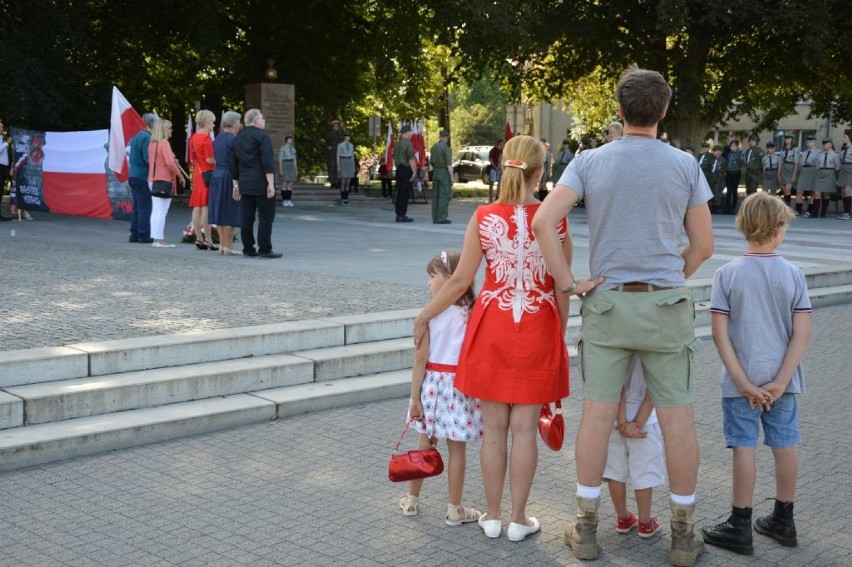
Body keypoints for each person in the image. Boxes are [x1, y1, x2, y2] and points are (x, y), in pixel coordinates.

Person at [532, 66, 713, 566]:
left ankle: (586, 528)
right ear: (664, 111)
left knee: (595, 416)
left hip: (607, 304)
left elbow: (544, 220)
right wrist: (670, 272)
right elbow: (703, 245)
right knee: (678, 420)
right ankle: (681, 534)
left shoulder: (590, 161)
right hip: (664, 305)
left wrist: (567, 282)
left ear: (619, 110)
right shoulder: (683, 164)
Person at [414, 135, 598, 543]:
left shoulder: (483, 216)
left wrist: (425, 315)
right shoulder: (557, 222)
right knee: (525, 428)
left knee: (494, 429)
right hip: (537, 324)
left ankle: (492, 516)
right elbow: (560, 287)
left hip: (493, 324)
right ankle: (519, 519)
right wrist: (561, 335)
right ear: (539, 172)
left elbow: (462, 279)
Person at [700, 192, 810, 555]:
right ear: (779, 230)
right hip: (783, 382)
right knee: (785, 443)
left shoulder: (726, 274)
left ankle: (740, 524)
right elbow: (801, 333)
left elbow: (720, 334)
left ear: (742, 226)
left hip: (740, 382)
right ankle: (785, 518)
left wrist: (744, 382)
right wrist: (780, 381)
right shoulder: (793, 274)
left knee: (743, 447)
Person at [399, 250, 483, 526]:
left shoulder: (431, 314)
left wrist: (415, 397)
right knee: (457, 449)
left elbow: (420, 358)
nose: (428, 283)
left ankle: (411, 500)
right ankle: (454, 509)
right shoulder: (473, 311)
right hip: (460, 386)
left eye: (432, 276)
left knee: (424, 445)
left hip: (433, 385)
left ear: (450, 278)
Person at [604, 356, 664, 540]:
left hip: (615, 418)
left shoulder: (619, 346)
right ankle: (645, 523)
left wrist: (622, 422)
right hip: (645, 423)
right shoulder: (653, 347)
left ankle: (623, 518)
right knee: (644, 472)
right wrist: (638, 423)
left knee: (615, 472)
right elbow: (655, 386)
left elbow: (617, 386)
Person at [231, 109, 281, 259]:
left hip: (245, 183)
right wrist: (270, 183)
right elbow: (267, 161)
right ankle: (264, 248)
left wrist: (236, 185)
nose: (264, 120)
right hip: (261, 182)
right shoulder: (262, 137)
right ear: (255, 121)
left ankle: (248, 248)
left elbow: (233, 164)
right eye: (262, 118)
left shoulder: (238, 138)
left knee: (246, 217)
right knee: (266, 217)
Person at [148, 119, 186, 248]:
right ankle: (159, 239)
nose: (171, 130)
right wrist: (180, 175)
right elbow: (170, 162)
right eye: (169, 128)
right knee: (161, 211)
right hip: (163, 179)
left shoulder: (153, 143)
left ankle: (155, 238)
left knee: (156, 210)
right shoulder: (164, 143)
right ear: (164, 130)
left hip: (152, 178)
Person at [209, 111, 242, 256]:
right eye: (239, 121)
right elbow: (237, 161)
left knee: (220, 211)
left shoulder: (218, 138)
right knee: (230, 210)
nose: (240, 124)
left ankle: (223, 246)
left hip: (217, 175)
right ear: (235, 123)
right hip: (229, 176)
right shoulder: (234, 140)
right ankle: (229, 247)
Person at [189, 109, 217, 250]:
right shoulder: (206, 139)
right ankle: (208, 239)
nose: (213, 126)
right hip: (207, 174)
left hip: (198, 174)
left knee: (197, 207)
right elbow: (209, 159)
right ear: (206, 123)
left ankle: (198, 239)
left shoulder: (193, 137)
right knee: (206, 207)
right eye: (212, 123)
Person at [127, 113, 157, 242]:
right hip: (143, 176)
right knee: (145, 207)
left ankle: (134, 234)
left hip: (133, 175)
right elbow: (147, 159)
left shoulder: (136, 136)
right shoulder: (147, 138)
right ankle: (144, 235)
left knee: (137, 207)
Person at [807, 139, 839, 219]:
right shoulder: (820, 154)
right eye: (824, 144)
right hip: (820, 173)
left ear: (831, 144)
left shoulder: (835, 155)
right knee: (817, 193)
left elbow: (837, 168)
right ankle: (815, 212)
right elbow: (817, 166)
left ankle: (823, 213)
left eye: (826, 144)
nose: (825, 145)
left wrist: (835, 178)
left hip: (830, 173)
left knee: (826, 194)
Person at [393, 124, 416, 222]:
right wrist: (414, 172)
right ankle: (402, 215)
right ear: (406, 133)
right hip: (406, 170)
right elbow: (411, 159)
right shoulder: (408, 144)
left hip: (399, 169)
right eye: (410, 132)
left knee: (399, 193)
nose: (411, 134)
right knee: (405, 193)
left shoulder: (397, 144)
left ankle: (398, 214)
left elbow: (394, 158)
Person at [429, 130, 453, 224]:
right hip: (444, 172)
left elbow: (431, 163)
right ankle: (441, 218)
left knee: (435, 195)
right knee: (444, 195)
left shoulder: (434, 147)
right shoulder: (446, 148)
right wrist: (451, 178)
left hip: (436, 172)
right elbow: (449, 165)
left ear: (440, 137)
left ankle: (435, 216)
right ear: (447, 137)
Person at [794, 135, 818, 217]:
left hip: (813, 170)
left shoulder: (818, 152)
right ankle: (798, 210)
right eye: (807, 142)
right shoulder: (804, 153)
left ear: (815, 142)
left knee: (812, 191)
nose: (809, 143)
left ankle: (809, 210)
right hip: (804, 171)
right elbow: (800, 164)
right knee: (799, 191)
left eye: (811, 141)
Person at [724, 139, 745, 214]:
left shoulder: (739, 155)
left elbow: (742, 165)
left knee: (734, 190)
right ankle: (727, 208)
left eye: (733, 146)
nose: (731, 147)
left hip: (736, 173)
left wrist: (741, 173)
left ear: (737, 146)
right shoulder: (729, 154)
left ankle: (733, 207)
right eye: (731, 146)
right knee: (729, 190)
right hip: (729, 173)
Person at [779, 133, 799, 208]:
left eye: (789, 138)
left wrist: (794, 175)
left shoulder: (795, 149)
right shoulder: (783, 149)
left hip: (791, 167)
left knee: (788, 189)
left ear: (792, 139)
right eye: (786, 138)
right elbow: (780, 162)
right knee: (784, 189)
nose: (787, 140)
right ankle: (785, 205)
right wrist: (779, 174)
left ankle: (788, 206)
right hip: (783, 167)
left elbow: (796, 163)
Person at [322, 119, 344, 188]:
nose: (336, 127)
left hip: (339, 153)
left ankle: (337, 182)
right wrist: (327, 146)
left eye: (337, 125)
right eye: (334, 125)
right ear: (332, 126)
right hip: (331, 153)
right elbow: (323, 141)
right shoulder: (328, 134)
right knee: (331, 168)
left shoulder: (341, 134)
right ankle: (332, 183)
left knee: (338, 169)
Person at [278, 135, 297, 207]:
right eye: (289, 139)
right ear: (286, 140)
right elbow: (280, 160)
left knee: (290, 184)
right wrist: (281, 170)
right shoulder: (283, 148)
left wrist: (296, 169)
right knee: (284, 183)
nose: (290, 141)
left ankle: (289, 200)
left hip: (291, 164)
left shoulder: (293, 149)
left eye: (291, 140)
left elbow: (295, 159)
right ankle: (284, 200)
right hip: (285, 164)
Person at [337, 132, 355, 205]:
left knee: (348, 181)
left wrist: (353, 166)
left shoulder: (351, 145)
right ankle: (342, 198)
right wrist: (338, 166)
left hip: (349, 161)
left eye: (349, 136)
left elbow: (352, 155)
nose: (348, 138)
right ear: (344, 137)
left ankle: (346, 198)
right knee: (343, 181)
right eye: (347, 136)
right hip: (343, 160)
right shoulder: (340, 145)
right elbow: (338, 155)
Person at [708, 145, 727, 213]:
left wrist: (721, 178)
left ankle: (717, 208)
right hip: (712, 178)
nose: (714, 152)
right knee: (711, 193)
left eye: (716, 151)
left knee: (717, 194)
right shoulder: (712, 160)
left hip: (719, 179)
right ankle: (711, 207)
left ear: (720, 152)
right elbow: (709, 168)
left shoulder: (723, 160)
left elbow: (724, 170)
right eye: (714, 151)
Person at [838, 131, 852, 220]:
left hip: (850, 169)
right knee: (843, 192)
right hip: (843, 169)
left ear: (850, 138)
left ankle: (847, 212)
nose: (843, 139)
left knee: (847, 190)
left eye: (845, 137)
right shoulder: (843, 149)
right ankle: (846, 211)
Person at [0, 119, 12, 221]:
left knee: (0, 190)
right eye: (0, 127)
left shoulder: (0, 138)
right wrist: (7, 143)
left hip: (3, 167)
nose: (2, 128)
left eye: (2, 127)